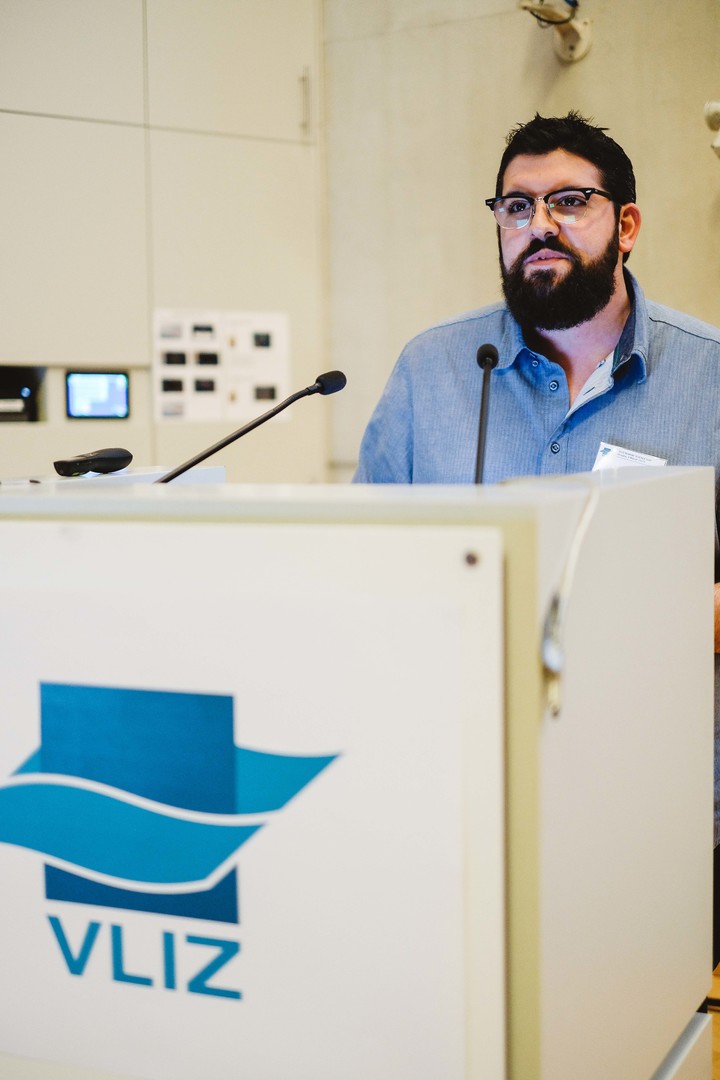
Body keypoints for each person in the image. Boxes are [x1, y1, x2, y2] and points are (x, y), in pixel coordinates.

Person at [354, 111, 720, 958]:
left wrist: (632, 620)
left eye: (570, 201)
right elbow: (369, 560)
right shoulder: (432, 371)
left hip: (654, 815)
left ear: (626, 224)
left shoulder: (709, 375)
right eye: (516, 207)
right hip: (461, 805)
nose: (539, 226)